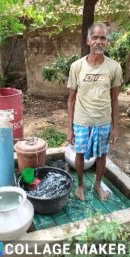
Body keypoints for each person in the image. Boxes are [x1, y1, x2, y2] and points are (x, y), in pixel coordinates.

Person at [67, 22, 122, 201]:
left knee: (101, 156)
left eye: (103, 38)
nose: (99, 41)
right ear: (88, 40)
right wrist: (69, 128)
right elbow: (71, 99)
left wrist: (115, 127)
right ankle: (81, 185)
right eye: (95, 37)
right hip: (81, 120)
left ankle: (98, 185)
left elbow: (115, 100)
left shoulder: (114, 67)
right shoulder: (77, 66)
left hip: (103, 121)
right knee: (79, 155)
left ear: (107, 42)